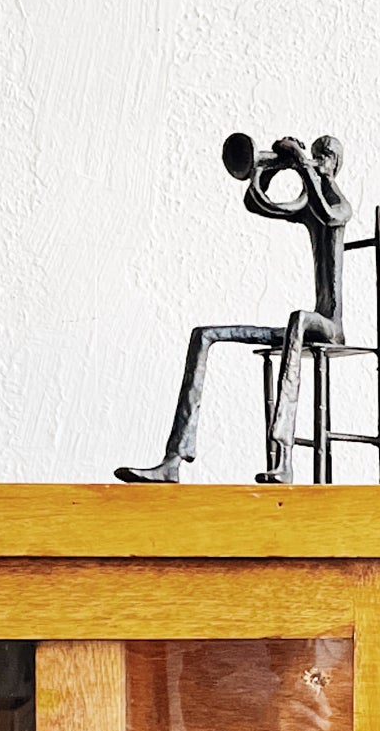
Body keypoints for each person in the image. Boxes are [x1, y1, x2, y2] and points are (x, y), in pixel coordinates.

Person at [115, 134, 352, 485]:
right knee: (205, 335)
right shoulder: (308, 206)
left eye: (325, 155)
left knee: (298, 318)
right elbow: (257, 205)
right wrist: (269, 169)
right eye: (316, 152)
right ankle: (173, 459)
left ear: (335, 164)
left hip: (327, 325)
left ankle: (283, 458)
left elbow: (332, 215)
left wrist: (303, 165)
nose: (319, 158)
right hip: (299, 329)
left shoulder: (338, 206)